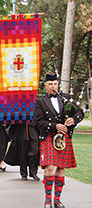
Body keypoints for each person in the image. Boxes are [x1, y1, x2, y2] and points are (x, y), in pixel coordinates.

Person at [32, 73, 84, 208]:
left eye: (55, 83)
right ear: (45, 86)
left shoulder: (66, 98)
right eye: (50, 84)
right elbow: (37, 121)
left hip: (63, 138)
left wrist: (74, 119)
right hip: (49, 136)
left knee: (60, 169)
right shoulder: (40, 101)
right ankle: (48, 200)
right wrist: (54, 126)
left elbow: (80, 112)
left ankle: (57, 200)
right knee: (50, 168)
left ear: (58, 84)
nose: (53, 86)